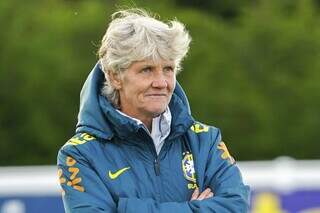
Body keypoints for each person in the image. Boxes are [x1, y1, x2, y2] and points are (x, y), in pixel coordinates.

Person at [57, 8, 250, 213]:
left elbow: (236, 207)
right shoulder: (80, 154)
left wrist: (128, 209)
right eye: (147, 69)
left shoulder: (205, 141)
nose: (161, 82)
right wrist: (195, 208)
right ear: (114, 76)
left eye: (168, 69)